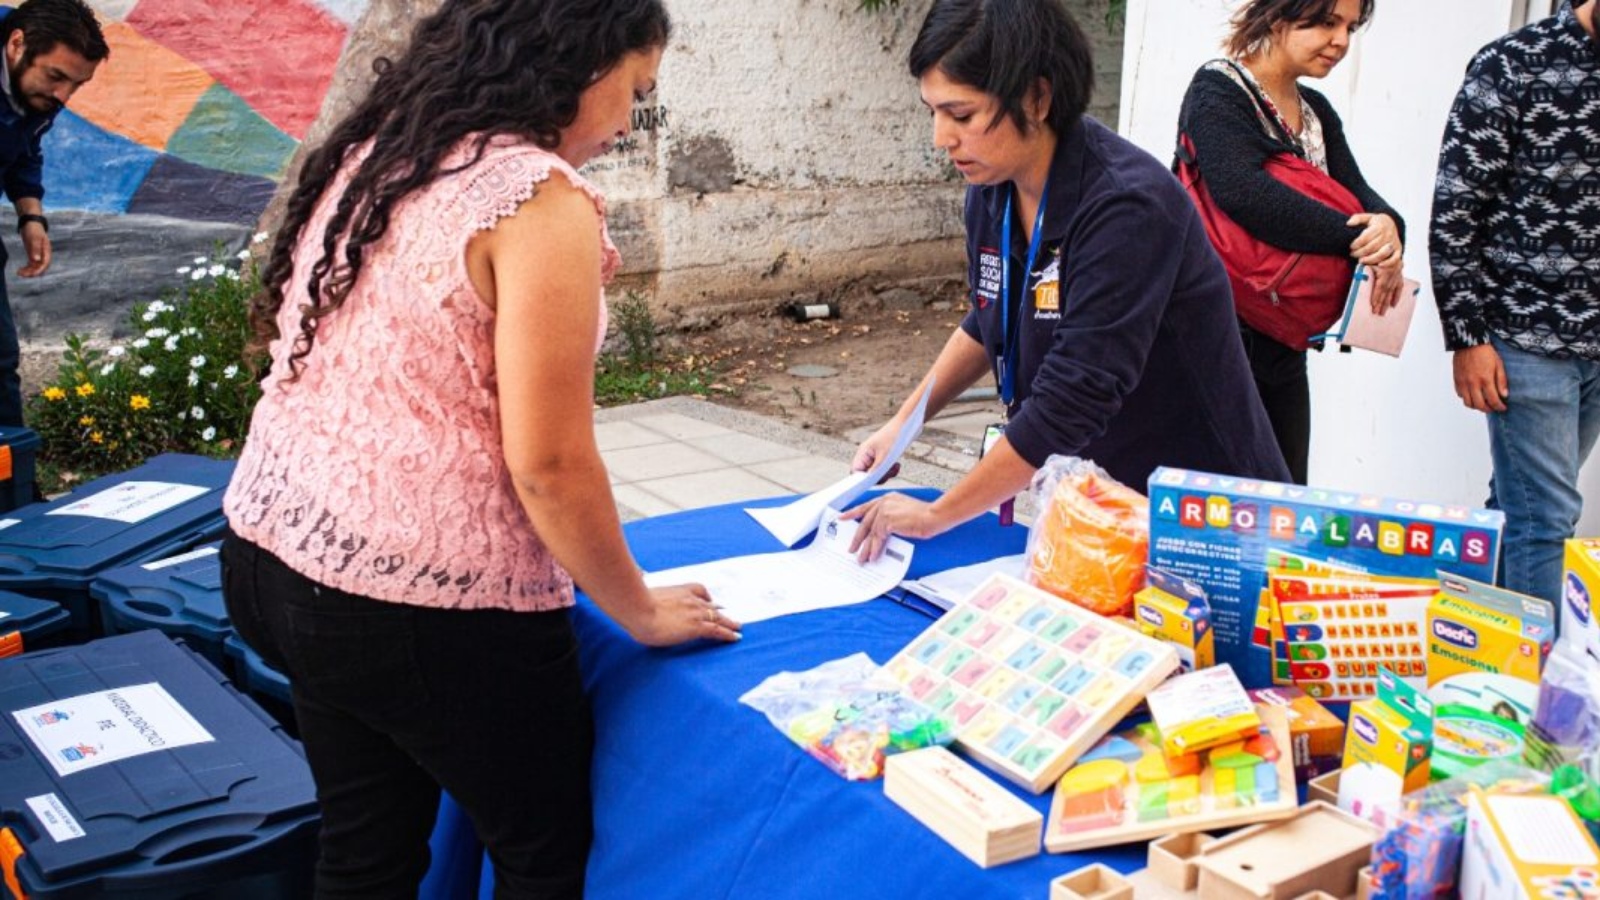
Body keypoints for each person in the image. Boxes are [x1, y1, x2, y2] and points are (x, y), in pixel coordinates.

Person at [220, 2, 741, 897]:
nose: (626, 123)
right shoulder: (535, 198)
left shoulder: (392, 147)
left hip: (277, 549)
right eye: (635, 91)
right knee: (544, 856)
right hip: (416, 603)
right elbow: (549, 462)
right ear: (578, 61)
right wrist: (640, 609)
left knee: (365, 849)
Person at [843, 0, 1289, 562]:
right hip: (1099, 507)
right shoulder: (992, 191)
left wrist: (938, 515)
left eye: (961, 115)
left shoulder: (1127, 206)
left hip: (1203, 515)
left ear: (1036, 97)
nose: (941, 138)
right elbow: (990, 318)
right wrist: (901, 426)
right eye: (932, 112)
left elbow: (1075, 393)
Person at [1174, 0, 1406, 485]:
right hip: (1213, 330)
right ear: (1279, 16)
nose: (1341, 40)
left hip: (1283, 336)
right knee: (1212, 499)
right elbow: (1245, 194)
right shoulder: (1219, 89)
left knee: (1283, 497)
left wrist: (1388, 228)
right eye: (1325, 22)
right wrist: (1358, 236)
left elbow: (1361, 199)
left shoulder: (1316, 112)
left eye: (1350, 26)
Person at [1431, 0, 1600, 608]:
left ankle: (1471, 642)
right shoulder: (1512, 64)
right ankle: (1538, 689)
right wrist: (1467, 338)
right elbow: (1456, 210)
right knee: (1547, 518)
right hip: (1526, 337)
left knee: (1519, 507)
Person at [0, 0, 105, 427]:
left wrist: (31, 215)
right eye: (56, 77)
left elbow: (24, 143)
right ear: (17, 44)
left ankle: (13, 486)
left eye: (76, 85)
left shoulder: (36, 91)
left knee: (0, 359)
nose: (64, 96)